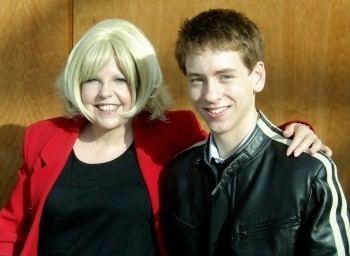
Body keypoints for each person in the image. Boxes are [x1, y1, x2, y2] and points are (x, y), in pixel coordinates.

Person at [0, 19, 330, 256]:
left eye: (121, 79)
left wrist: (295, 130)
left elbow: (236, 142)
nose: (106, 94)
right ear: (77, 83)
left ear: (142, 82)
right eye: (92, 80)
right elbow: (11, 229)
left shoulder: (173, 132)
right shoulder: (44, 138)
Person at [161, 8, 350, 256]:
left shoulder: (308, 171)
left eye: (225, 76)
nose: (210, 95)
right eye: (197, 79)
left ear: (257, 77)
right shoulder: (178, 174)